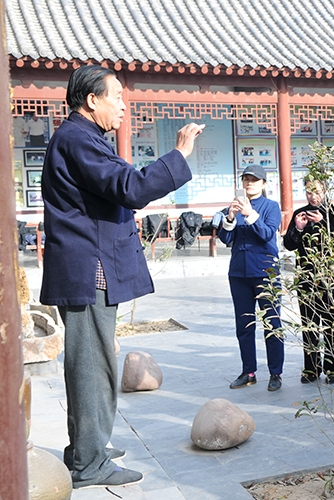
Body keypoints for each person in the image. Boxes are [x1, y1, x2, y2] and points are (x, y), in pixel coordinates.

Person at [39, 65, 203, 488]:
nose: (124, 106)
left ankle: (87, 448)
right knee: (92, 367)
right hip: (88, 269)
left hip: (88, 268)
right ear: (91, 100)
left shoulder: (83, 138)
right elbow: (130, 187)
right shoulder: (78, 138)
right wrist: (179, 154)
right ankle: (89, 463)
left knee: (91, 363)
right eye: (117, 97)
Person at [218, 164, 284, 391]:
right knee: (244, 325)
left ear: (264, 184)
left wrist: (249, 215)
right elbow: (226, 238)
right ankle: (249, 372)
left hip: (265, 272)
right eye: (246, 179)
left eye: (254, 180)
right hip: (239, 273)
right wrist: (231, 216)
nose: (249, 183)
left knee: (272, 324)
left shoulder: (271, 207)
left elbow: (267, 234)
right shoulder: (234, 206)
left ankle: (276, 372)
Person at [284, 179, 334, 384]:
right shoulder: (299, 213)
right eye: (309, 192)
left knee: (332, 324)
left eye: (317, 191)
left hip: (330, 277)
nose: (313, 196)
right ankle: (311, 368)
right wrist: (299, 228)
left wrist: (323, 223)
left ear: (326, 191)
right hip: (306, 276)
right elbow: (289, 245)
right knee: (309, 324)